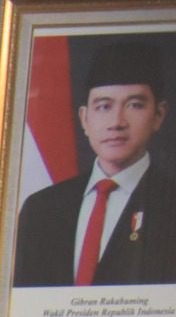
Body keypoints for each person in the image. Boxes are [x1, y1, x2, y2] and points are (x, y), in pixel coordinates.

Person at [15, 40, 176, 288]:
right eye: (103, 106)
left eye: (134, 105)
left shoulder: (169, 201)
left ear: (158, 115)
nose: (116, 122)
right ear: (84, 118)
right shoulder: (40, 210)